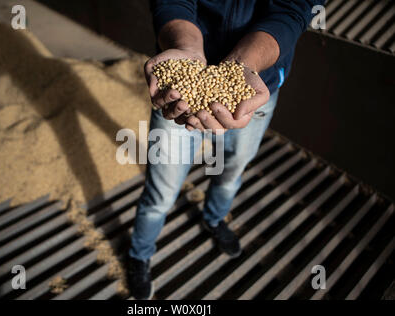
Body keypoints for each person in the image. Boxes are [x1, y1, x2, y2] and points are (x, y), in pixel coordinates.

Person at [127, 0, 325, 300]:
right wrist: (185, 45)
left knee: (232, 169)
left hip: (255, 84)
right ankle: (139, 254)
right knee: (162, 186)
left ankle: (214, 218)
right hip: (178, 86)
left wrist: (245, 64)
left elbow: (292, 10)